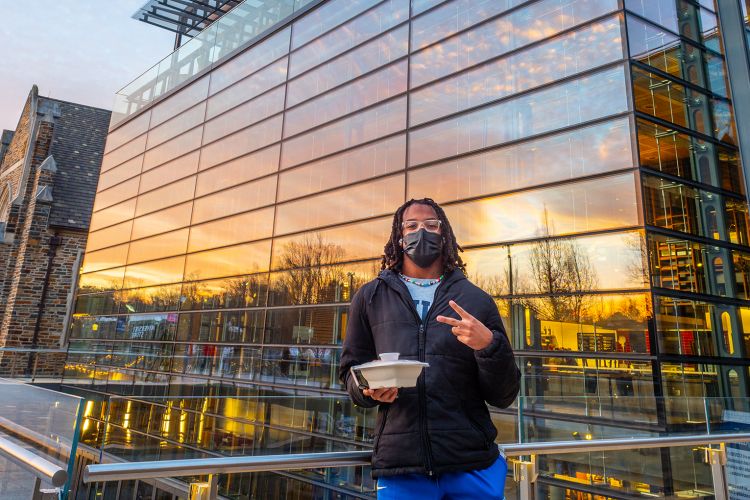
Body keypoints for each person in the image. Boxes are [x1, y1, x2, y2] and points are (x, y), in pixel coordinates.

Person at [339, 198, 521, 499]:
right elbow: (349, 373)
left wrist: (488, 345)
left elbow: (505, 395)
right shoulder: (370, 297)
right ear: (399, 237)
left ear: (444, 234)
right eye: (411, 226)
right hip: (402, 467)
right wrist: (368, 390)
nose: (420, 231)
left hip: (473, 464)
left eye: (430, 225)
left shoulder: (477, 301)